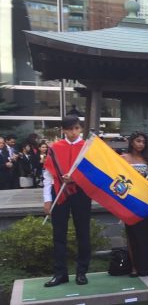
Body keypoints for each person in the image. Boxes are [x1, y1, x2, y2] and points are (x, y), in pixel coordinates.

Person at [43, 115, 92, 287]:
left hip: (81, 193)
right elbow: (48, 175)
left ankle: (82, 272)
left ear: (80, 129)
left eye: (76, 128)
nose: (73, 132)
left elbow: (92, 172)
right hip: (59, 193)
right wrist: (47, 199)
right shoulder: (55, 148)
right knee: (58, 235)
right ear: (63, 130)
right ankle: (60, 273)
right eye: (69, 129)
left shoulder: (87, 147)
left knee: (83, 233)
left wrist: (75, 178)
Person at [121, 131, 148, 276]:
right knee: (134, 235)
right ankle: (135, 267)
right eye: (138, 141)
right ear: (131, 142)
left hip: (147, 202)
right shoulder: (123, 158)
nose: (140, 144)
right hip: (131, 202)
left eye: (143, 142)